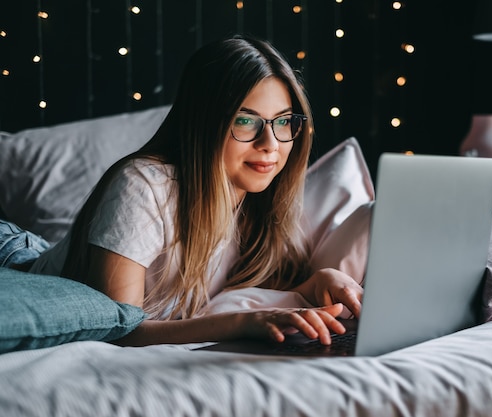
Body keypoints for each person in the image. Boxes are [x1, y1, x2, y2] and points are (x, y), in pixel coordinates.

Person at [26, 35, 363, 347]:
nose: (270, 145)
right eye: (245, 121)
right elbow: (119, 331)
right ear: (205, 123)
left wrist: (317, 282)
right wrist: (243, 323)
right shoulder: (144, 186)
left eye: (284, 121)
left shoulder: (259, 203)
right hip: (17, 263)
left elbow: (251, 295)